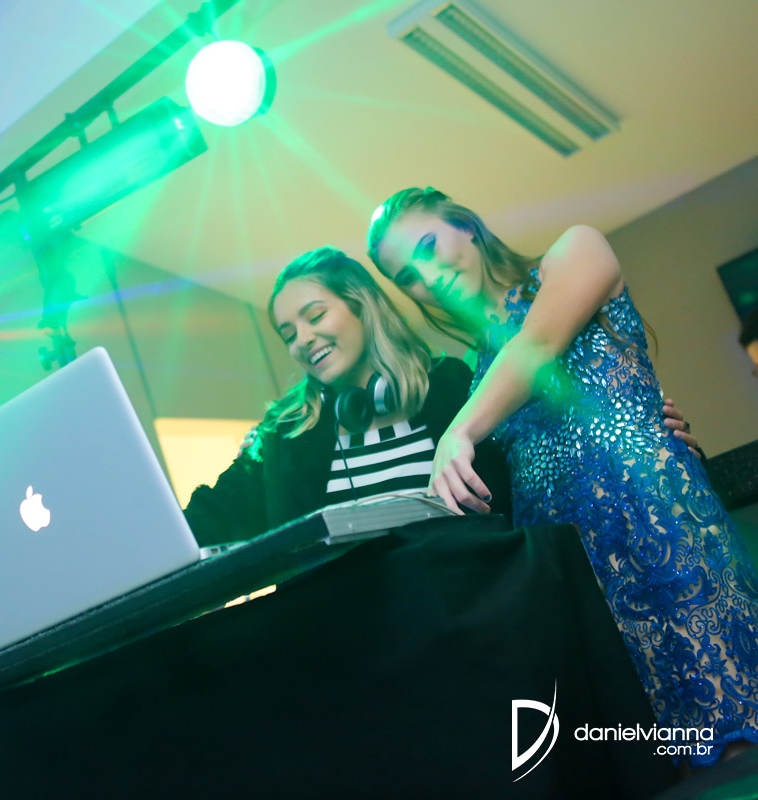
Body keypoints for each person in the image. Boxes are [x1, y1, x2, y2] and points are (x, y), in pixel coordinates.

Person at [366, 186, 758, 767]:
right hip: (574, 572)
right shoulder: (474, 375)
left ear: (465, 226)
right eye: (408, 276)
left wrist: (459, 432)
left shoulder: (576, 250)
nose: (428, 275)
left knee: (734, 735)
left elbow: (540, 341)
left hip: (660, 528)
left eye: (428, 246)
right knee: (654, 765)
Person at [184, 246, 512, 547]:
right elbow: (212, 519)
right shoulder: (284, 431)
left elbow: (505, 498)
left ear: (361, 306)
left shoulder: (449, 384)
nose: (303, 340)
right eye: (289, 335)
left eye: (315, 317)